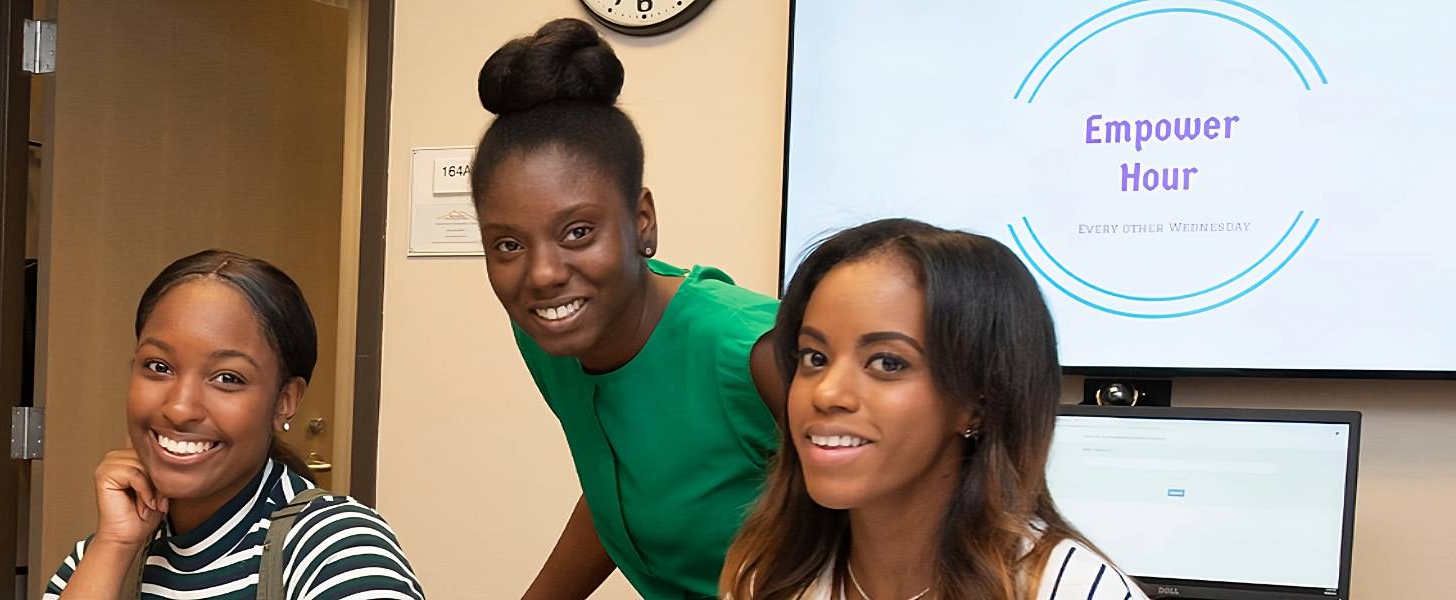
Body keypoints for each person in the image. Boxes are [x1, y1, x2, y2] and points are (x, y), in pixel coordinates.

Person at [472, 18, 785, 600]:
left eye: (578, 232)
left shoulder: (752, 350)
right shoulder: (553, 337)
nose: (541, 274)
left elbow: (907, 521)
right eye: (508, 244)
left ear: (641, 220)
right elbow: (623, 488)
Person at [721, 219, 1143, 599]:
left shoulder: (1070, 590)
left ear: (978, 404)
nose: (827, 393)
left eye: (887, 363)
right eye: (814, 357)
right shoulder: (766, 576)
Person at [43, 250, 425, 600]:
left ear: (284, 400)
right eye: (159, 367)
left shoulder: (333, 547)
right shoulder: (100, 554)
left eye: (227, 378)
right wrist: (115, 545)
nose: (179, 408)